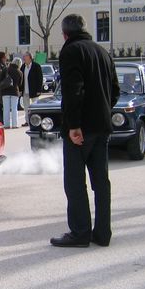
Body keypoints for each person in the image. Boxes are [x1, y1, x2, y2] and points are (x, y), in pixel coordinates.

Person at [51, 14, 119, 248]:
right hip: (102, 125)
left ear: (65, 34)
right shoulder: (102, 52)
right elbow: (115, 90)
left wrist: (73, 125)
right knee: (101, 181)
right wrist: (103, 111)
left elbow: (73, 91)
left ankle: (80, 232)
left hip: (80, 129)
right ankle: (102, 232)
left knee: (75, 181)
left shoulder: (70, 51)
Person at [20, 52, 43, 126]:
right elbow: (21, 79)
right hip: (25, 91)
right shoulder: (23, 67)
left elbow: (40, 78)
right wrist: (20, 89)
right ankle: (27, 121)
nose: (24, 59)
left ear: (30, 58)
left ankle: (36, 122)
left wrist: (39, 90)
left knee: (35, 107)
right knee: (26, 108)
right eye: (24, 57)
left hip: (34, 91)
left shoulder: (36, 66)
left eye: (25, 57)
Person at [1, 57, 22, 128]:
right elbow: (20, 84)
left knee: (6, 109)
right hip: (14, 92)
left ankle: (6, 125)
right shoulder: (19, 72)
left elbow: (0, 79)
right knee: (14, 109)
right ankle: (14, 125)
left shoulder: (6, 69)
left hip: (5, 91)